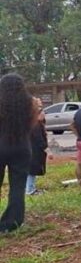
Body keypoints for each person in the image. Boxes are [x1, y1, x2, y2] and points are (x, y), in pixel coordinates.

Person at [0, 74, 36, 232]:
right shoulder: (31, 102)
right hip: (21, 146)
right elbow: (32, 125)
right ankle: (12, 223)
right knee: (17, 186)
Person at [26, 98, 49, 195]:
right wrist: (47, 149)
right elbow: (39, 140)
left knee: (31, 170)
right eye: (41, 112)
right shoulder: (34, 124)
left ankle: (30, 188)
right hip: (33, 150)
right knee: (32, 170)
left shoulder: (35, 123)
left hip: (31, 149)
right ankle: (29, 190)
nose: (43, 114)